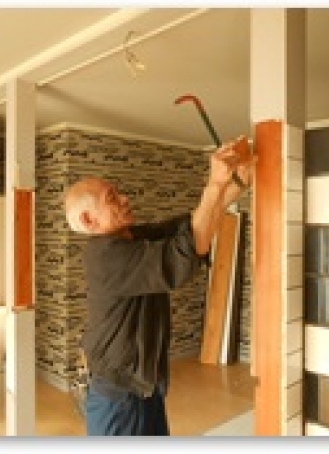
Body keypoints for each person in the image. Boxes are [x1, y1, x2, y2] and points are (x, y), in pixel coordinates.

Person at [64, 138, 254, 436]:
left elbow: (187, 228)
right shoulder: (106, 256)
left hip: (142, 386)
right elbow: (184, 255)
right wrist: (214, 185)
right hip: (118, 398)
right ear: (89, 220)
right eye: (112, 198)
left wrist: (237, 185)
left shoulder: (130, 237)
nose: (124, 199)